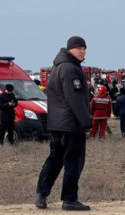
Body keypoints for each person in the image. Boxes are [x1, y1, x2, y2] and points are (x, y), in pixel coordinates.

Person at [35, 36, 92, 211]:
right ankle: (69, 200)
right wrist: (85, 122)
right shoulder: (70, 69)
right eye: (79, 48)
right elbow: (73, 97)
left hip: (57, 123)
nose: (83, 51)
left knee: (54, 159)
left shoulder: (58, 67)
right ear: (70, 49)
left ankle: (41, 194)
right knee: (73, 161)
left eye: (85, 48)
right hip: (71, 124)